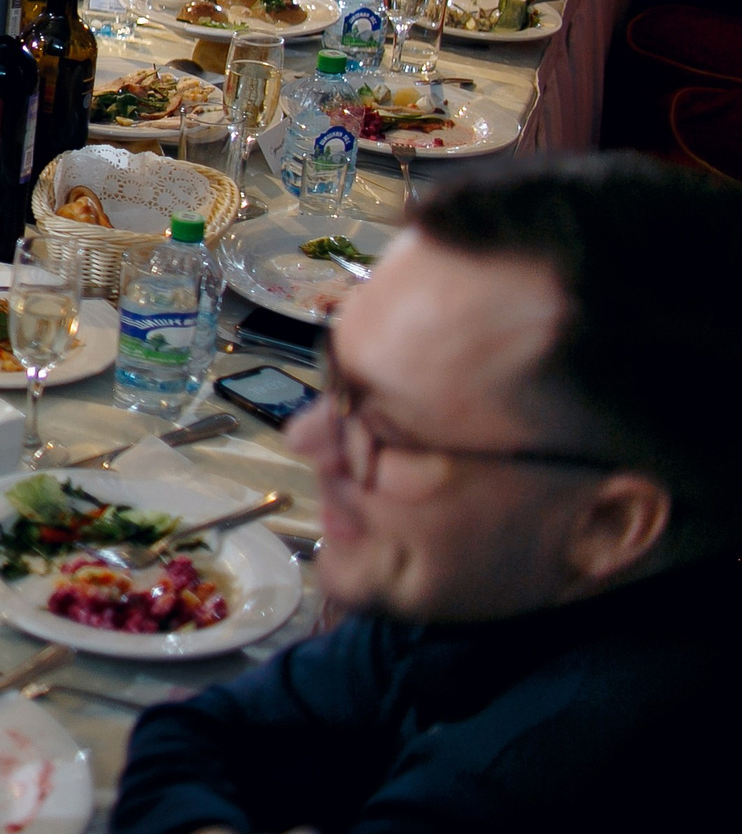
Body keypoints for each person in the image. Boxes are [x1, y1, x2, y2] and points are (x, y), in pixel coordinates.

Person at [113, 157, 742, 834]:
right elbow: (196, 732)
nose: (309, 443)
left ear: (610, 526)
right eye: (341, 387)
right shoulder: (483, 581)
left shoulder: (535, 776)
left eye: (388, 432)